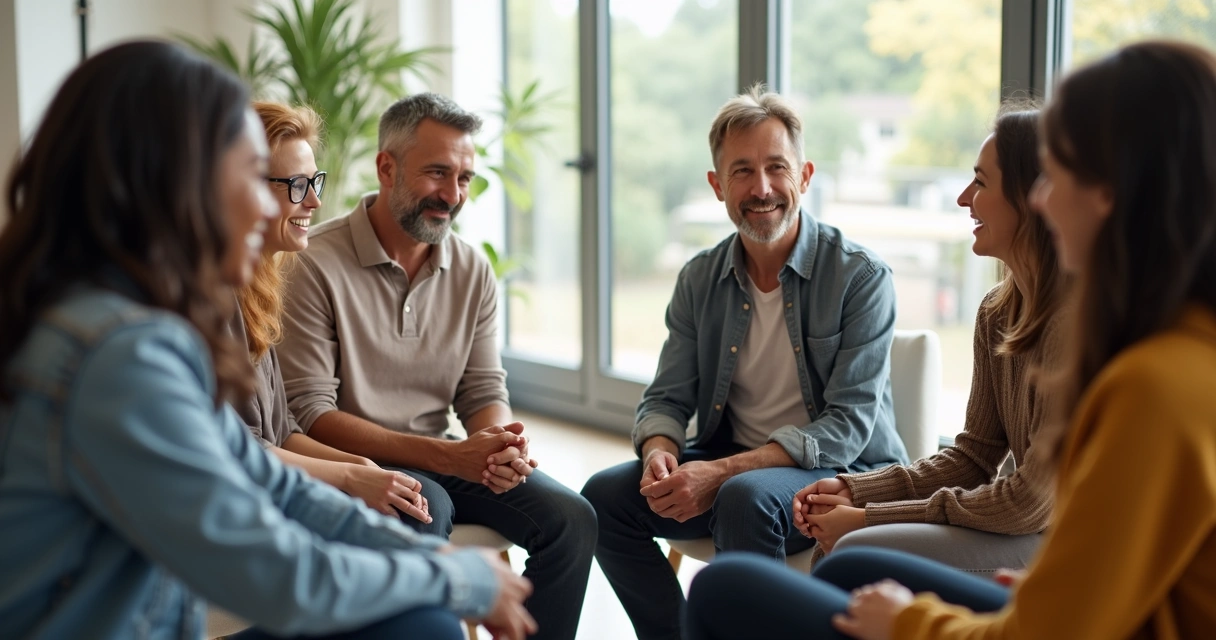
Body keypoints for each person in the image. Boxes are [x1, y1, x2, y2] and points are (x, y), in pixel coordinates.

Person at [0, 41, 534, 640]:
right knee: (427, 622)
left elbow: (260, 465)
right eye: (247, 176)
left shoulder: (132, 316)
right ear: (169, 183)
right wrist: (461, 581)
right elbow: (279, 576)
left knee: (422, 615)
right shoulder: (117, 354)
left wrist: (429, 557)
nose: (267, 204)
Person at [685, 39, 1216, 640]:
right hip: (1066, 589)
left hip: (1042, 578)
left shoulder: (1156, 384)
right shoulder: (1031, 319)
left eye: (1059, 172)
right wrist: (854, 491)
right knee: (849, 560)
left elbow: (1041, 569)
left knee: (727, 586)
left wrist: (908, 616)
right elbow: (977, 458)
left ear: (1117, 192)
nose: (1043, 196)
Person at [580, 84, 907, 640]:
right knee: (604, 499)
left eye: (777, 167)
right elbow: (666, 398)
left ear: (804, 177)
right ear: (717, 185)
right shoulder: (698, 278)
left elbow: (848, 428)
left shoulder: (861, 277)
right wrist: (661, 454)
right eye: (741, 171)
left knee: (741, 496)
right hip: (734, 464)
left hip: (836, 476)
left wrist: (720, 472)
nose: (761, 189)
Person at [277, 91, 596, 640]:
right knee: (426, 506)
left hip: (440, 452)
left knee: (572, 518)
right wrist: (454, 456)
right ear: (387, 167)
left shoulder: (472, 269)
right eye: (437, 173)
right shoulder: (313, 264)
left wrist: (497, 443)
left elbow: (482, 389)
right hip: (355, 463)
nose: (452, 195)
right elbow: (309, 413)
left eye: (465, 178)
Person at [792, 106, 1062, 576]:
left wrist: (868, 516)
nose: (963, 198)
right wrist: (857, 490)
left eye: (980, 182)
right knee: (845, 549)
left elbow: (1029, 504)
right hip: (1029, 531)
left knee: (854, 551)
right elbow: (975, 457)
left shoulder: (1078, 324)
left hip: (1076, 550)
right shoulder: (996, 313)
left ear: (1030, 196)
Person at [231, 100, 430, 524]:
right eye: (298, 185)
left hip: (277, 481)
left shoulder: (258, 286)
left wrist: (362, 467)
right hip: (250, 502)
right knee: (410, 512)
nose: (316, 202)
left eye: (315, 182)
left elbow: (282, 430)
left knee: (416, 497)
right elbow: (240, 450)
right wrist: (349, 477)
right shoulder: (214, 297)